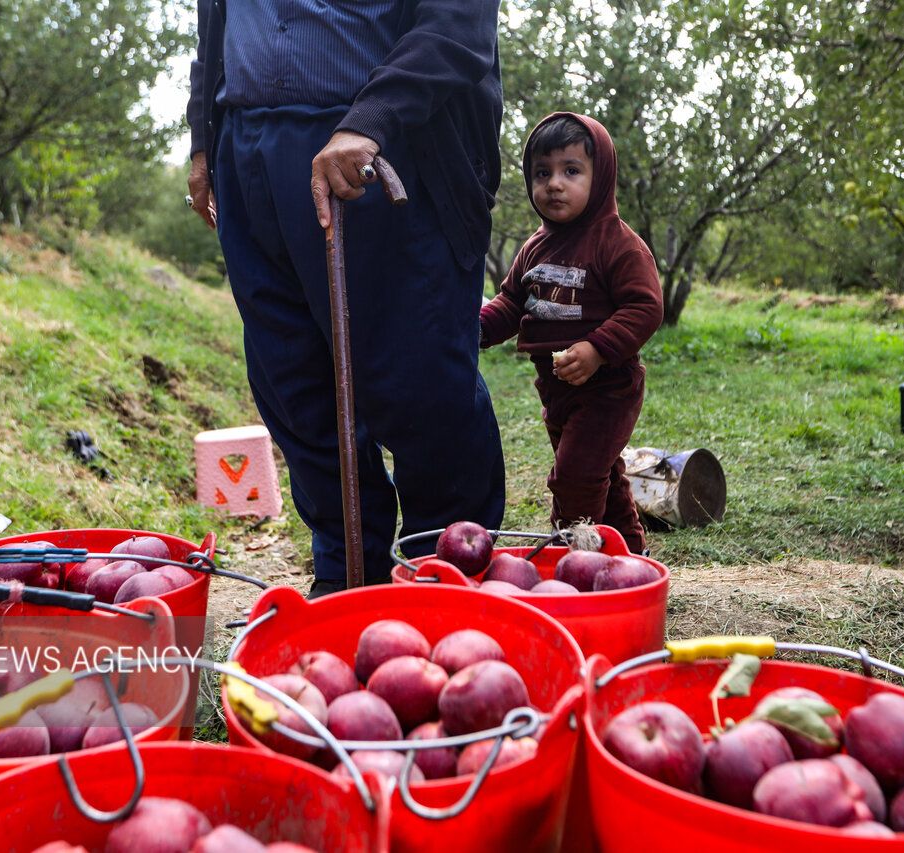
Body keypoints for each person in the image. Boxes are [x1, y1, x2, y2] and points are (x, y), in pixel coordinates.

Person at [186, 1, 506, 597]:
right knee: (293, 380)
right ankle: (346, 573)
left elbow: (460, 21)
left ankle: (448, 574)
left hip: (383, 145)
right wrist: (203, 138)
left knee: (417, 375)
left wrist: (374, 117)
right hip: (246, 149)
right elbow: (214, 27)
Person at [480, 113, 662, 554]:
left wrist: (598, 348)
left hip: (608, 388)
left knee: (575, 478)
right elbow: (512, 303)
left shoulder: (617, 243)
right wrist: (474, 329)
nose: (554, 184)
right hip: (556, 389)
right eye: (542, 173)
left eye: (571, 171)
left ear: (601, 178)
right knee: (603, 475)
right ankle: (629, 556)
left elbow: (645, 306)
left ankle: (574, 556)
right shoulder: (534, 248)